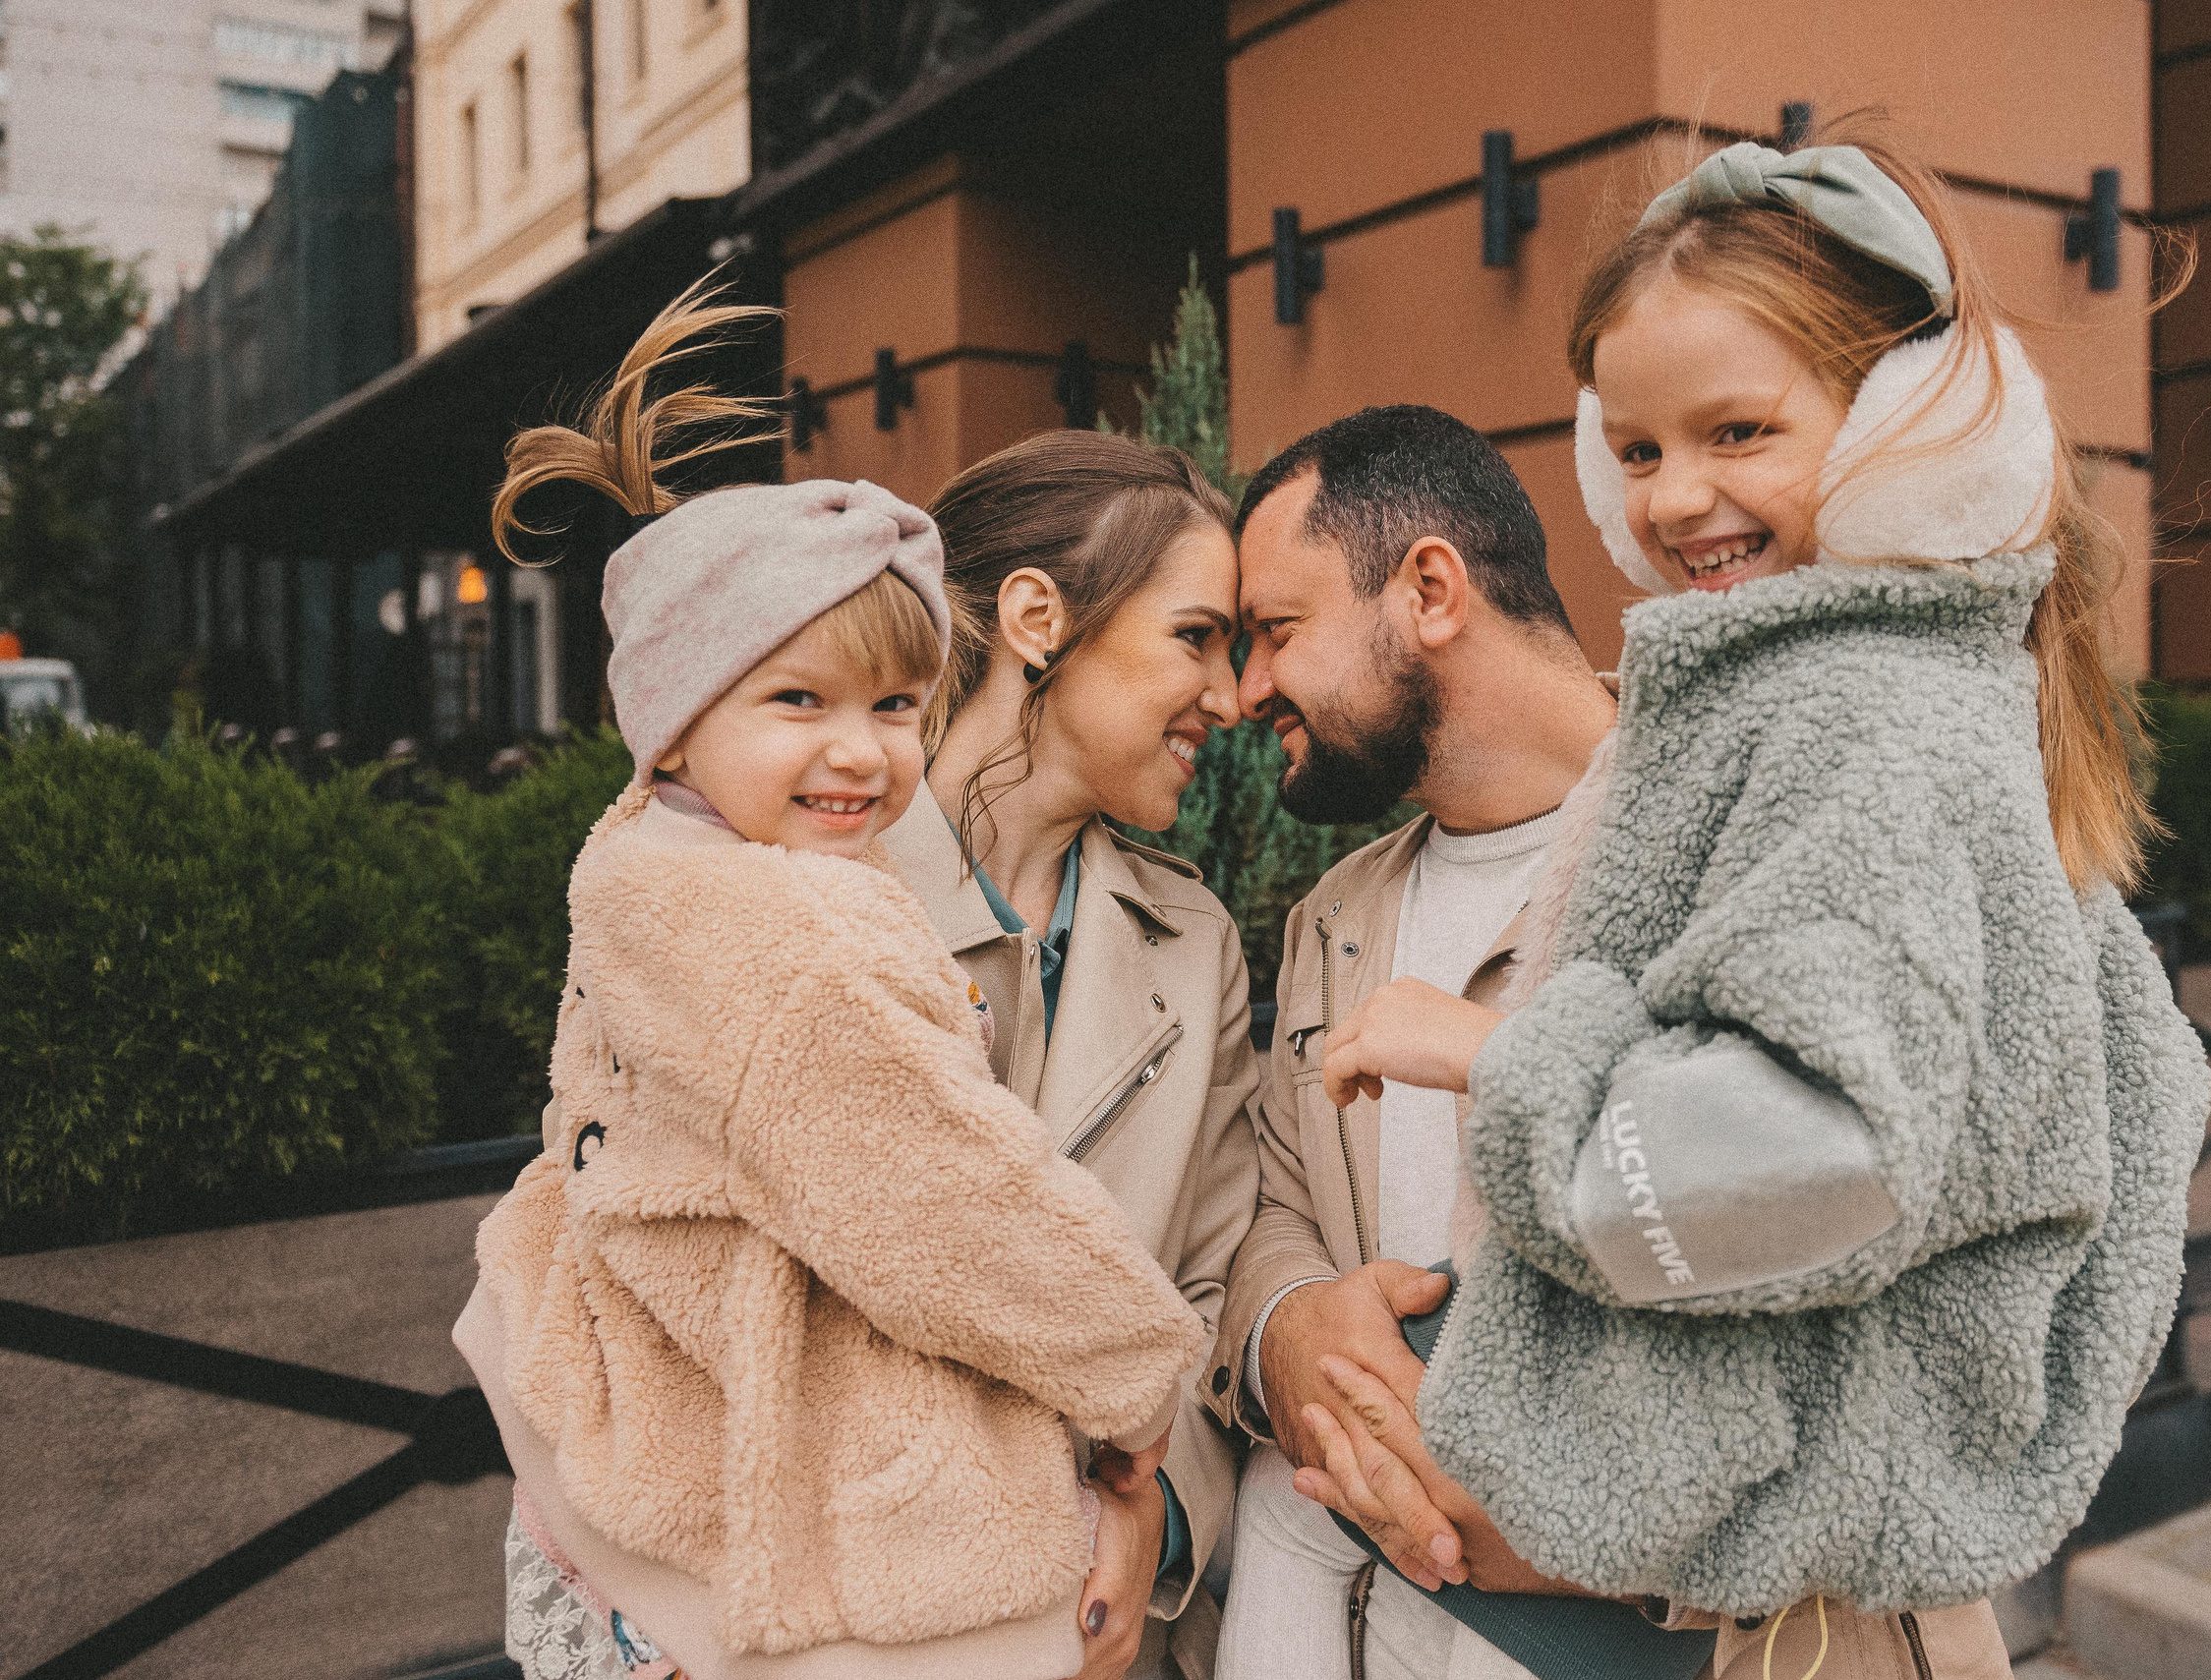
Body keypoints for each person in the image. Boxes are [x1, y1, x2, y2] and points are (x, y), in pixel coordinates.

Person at [1295, 134, 2211, 1678]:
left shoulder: (1859, 721)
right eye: (1638, 450)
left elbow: (1821, 1153)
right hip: (1813, 1601)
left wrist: (1498, 1052)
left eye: (1738, 430)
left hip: (1811, 1632)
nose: (1678, 497)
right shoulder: (1877, 689)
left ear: (1911, 429)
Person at [451, 291, 1207, 1680]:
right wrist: (1141, 1372)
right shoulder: (792, 935)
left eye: (893, 706)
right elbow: (953, 1205)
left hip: (655, 1498)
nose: (858, 752)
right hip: (798, 1550)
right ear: (679, 715)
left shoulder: (643, 864)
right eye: (797, 701)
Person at [1201, 402, 1622, 1680]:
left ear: (1429, 589)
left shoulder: (1725, 851)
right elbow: (1271, 1201)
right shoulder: (1335, 914)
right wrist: (1288, 1330)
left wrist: (1581, 1523)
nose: (1243, 691)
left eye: (1277, 631)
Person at [878, 430, 1265, 1680]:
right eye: (1196, 638)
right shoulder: (807, 897)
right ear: (1038, 618)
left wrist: (1151, 1522)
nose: (1232, 693)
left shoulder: (1197, 941)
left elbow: (1211, 1288)